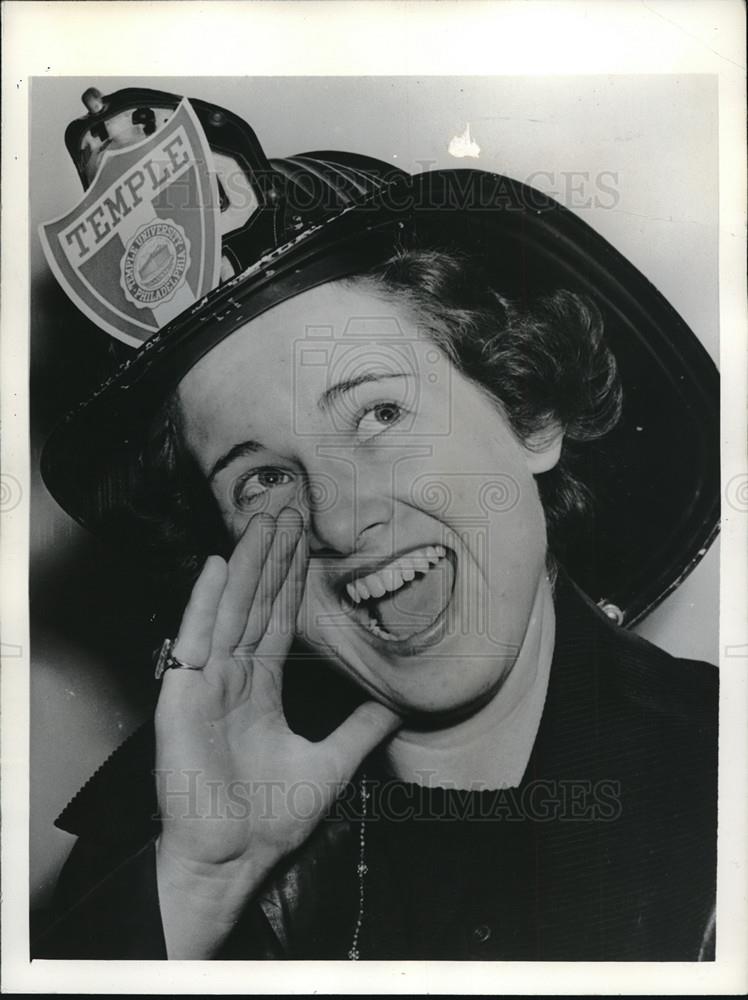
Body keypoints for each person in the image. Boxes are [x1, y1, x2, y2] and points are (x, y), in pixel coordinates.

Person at [33, 85, 719, 961]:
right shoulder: (163, 846)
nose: (343, 519)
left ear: (528, 410)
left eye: (379, 416)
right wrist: (198, 887)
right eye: (265, 479)